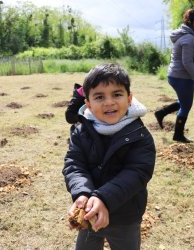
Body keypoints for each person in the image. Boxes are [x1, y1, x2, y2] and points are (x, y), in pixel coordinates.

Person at [63, 63, 156, 250]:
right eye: (99, 97)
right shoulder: (81, 131)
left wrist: (104, 198)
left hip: (125, 217)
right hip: (89, 212)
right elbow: (74, 165)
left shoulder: (140, 135)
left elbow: (137, 172)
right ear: (87, 103)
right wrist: (82, 193)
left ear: (129, 99)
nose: (109, 102)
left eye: (117, 94)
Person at [154, 8, 194, 143]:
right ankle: (178, 135)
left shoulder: (186, 34)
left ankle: (161, 113)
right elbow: (187, 63)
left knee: (183, 102)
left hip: (176, 75)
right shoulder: (190, 37)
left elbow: (186, 50)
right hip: (181, 77)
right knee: (186, 105)